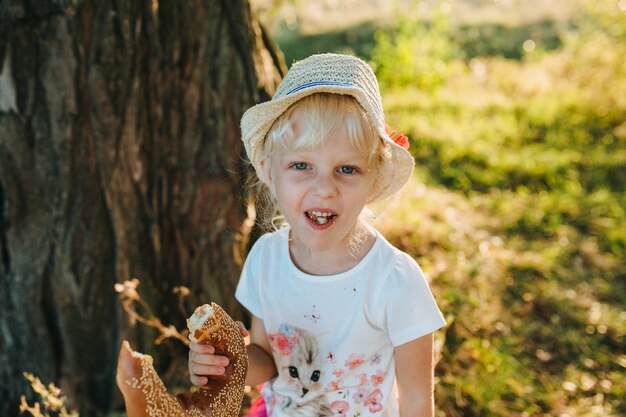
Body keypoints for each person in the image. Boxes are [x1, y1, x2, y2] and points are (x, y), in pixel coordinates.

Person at [188, 53, 446, 417]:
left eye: (347, 168)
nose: (324, 188)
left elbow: (418, 402)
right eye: (301, 165)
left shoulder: (395, 282)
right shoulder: (266, 259)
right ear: (269, 171)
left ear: (374, 181)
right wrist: (226, 364)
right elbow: (267, 358)